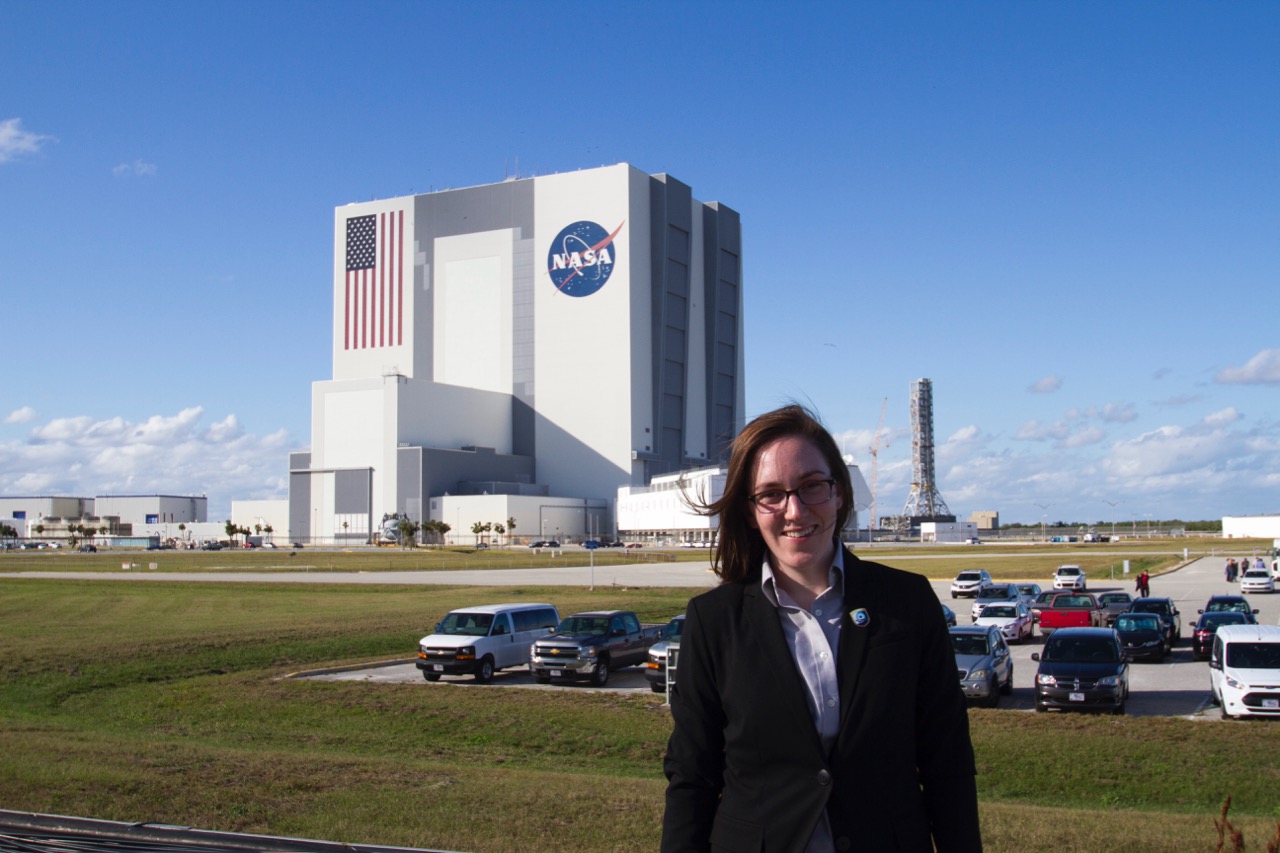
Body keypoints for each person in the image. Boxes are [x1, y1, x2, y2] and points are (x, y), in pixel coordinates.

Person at [661, 404, 982, 852]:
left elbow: (947, 764)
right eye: (771, 494)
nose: (794, 510)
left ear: (839, 495)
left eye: (812, 486)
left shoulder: (907, 605)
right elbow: (692, 777)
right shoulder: (713, 621)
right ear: (752, 511)